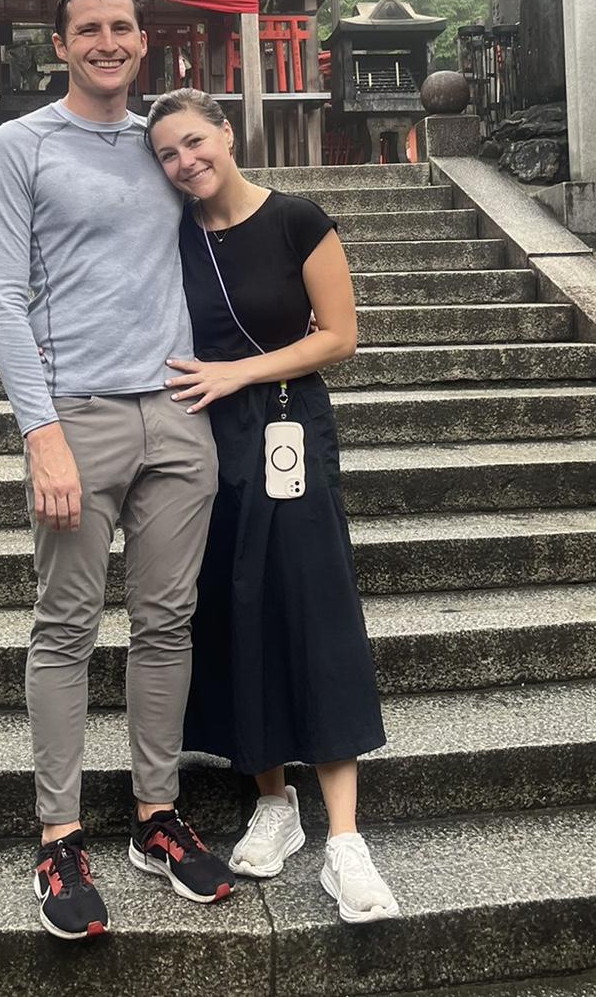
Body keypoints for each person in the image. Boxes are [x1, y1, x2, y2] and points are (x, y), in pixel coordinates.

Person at [0, 0, 231, 941]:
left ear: (143, 39)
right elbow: (2, 297)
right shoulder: (21, 147)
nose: (108, 41)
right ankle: (59, 831)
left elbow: (233, 226)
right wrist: (39, 433)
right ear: (60, 44)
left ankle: (156, 817)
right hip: (75, 412)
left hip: (174, 409)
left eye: (122, 26)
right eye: (88, 29)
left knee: (168, 620)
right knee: (67, 623)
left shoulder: (164, 146)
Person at [145, 87, 400, 926]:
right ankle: (272, 801)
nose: (186, 162)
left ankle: (347, 841)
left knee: (314, 605)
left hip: (288, 425)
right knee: (237, 608)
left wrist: (240, 373)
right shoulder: (171, 236)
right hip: (201, 442)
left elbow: (339, 335)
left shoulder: (297, 219)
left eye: (195, 141)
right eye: (168, 155)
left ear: (226, 130)